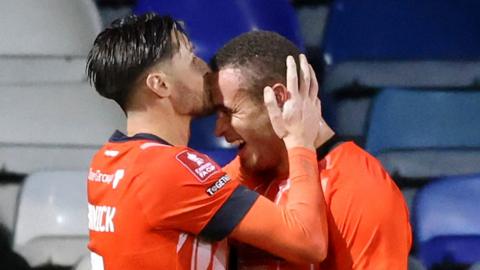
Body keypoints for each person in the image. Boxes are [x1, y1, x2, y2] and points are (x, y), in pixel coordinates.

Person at [85, 13, 330, 269]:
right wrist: (299, 140)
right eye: (191, 60)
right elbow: (308, 241)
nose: (205, 67)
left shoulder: (106, 161)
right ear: (160, 84)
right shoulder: (170, 170)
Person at [211, 30, 412, 269]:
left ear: (278, 99)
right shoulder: (246, 172)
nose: (218, 130)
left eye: (229, 112)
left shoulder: (360, 188)